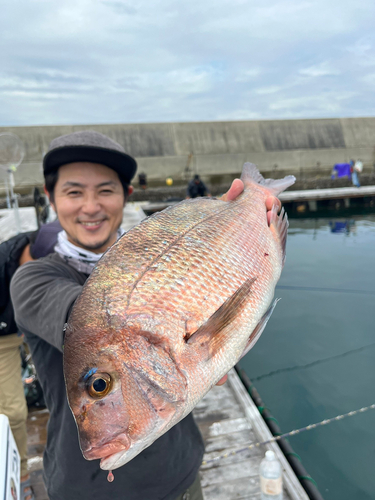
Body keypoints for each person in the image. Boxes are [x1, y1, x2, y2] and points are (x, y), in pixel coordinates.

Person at [11, 130, 279, 500]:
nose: (90, 206)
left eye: (105, 190)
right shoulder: (33, 279)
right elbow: (96, 325)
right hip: (81, 491)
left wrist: (228, 228)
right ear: (50, 198)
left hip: (181, 476)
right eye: (74, 192)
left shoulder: (162, 261)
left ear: (127, 195)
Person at [0, 221, 62, 500]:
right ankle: (21, 474)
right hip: (5, 337)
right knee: (13, 411)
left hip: (33, 323)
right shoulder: (4, 263)